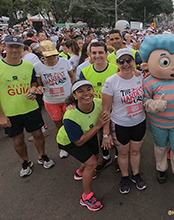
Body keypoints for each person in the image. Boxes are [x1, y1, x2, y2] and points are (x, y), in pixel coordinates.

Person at [0, 35, 55, 177]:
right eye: (11, 47)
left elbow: (34, 83)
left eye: (17, 47)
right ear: (5, 47)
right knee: (18, 139)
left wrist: (33, 90)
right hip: (10, 112)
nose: (14, 50)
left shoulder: (28, 65)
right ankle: (26, 161)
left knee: (38, 134)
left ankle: (42, 155)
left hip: (31, 108)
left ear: (23, 48)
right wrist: (0, 115)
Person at [140, 34, 174, 193]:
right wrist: (153, 104)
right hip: (158, 125)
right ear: (146, 64)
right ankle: (161, 169)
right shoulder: (148, 81)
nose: (173, 67)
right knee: (160, 148)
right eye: (165, 62)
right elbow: (144, 101)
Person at [56, 80, 109, 211]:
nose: (86, 93)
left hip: (88, 132)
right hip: (69, 141)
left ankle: (80, 172)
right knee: (91, 163)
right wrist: (98, 126)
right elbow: (78, 142)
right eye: (80, 91)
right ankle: (86, 197)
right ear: (74, 95)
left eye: (88, 89)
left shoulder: (97, 102)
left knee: (95, 156)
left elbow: (108, 112)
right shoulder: (70, 116)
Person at [101, 48, 147, 194]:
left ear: (134, 61)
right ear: (117, 63)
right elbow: (106, 110)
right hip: (120, 124)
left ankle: (136, 174)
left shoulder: (141, 77)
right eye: (121, 61)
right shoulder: (111, 82)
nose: (125, 64)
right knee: (122, 154)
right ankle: (125, 177)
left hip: (139, 122)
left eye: (129, 60)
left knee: (135, 151)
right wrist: (106, 134)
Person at [80, 41, 118, 172]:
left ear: (106, 54)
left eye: (101, 52)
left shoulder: (115, 68)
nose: (97, 55)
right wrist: (70, 104)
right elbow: (80, 92)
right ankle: (106, 157)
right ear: (89, 54)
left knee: (116, 134)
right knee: (101, 135)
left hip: (116, 109)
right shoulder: (84, 72)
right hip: (97, 111)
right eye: (94, 53)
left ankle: (118, 157)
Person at [34, 40, 75, 158]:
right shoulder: (37, 67)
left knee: (70, 122)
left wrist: (73, 91)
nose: (52, 57)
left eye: (54, 54)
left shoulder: (64, 62)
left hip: (67, 98)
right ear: (41, 53)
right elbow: (38, 83)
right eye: (48, 55)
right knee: (58, 125)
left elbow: (72, 76)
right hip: (51, 100)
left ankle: (73, 142)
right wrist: (39, 88)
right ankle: (62, 146)